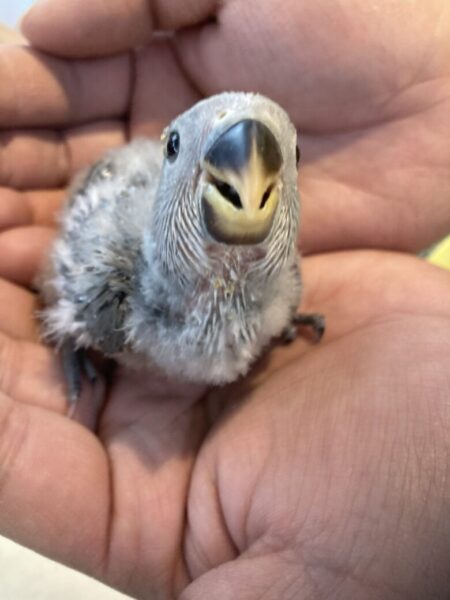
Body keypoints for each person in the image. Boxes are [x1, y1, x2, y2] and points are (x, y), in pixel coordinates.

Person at [0, 0, 449, 597]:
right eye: (179, 147)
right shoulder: (114, 283)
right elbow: (68, 274)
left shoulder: (284, 287)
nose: (250, 162)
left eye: (286, 156)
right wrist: (74, 343)